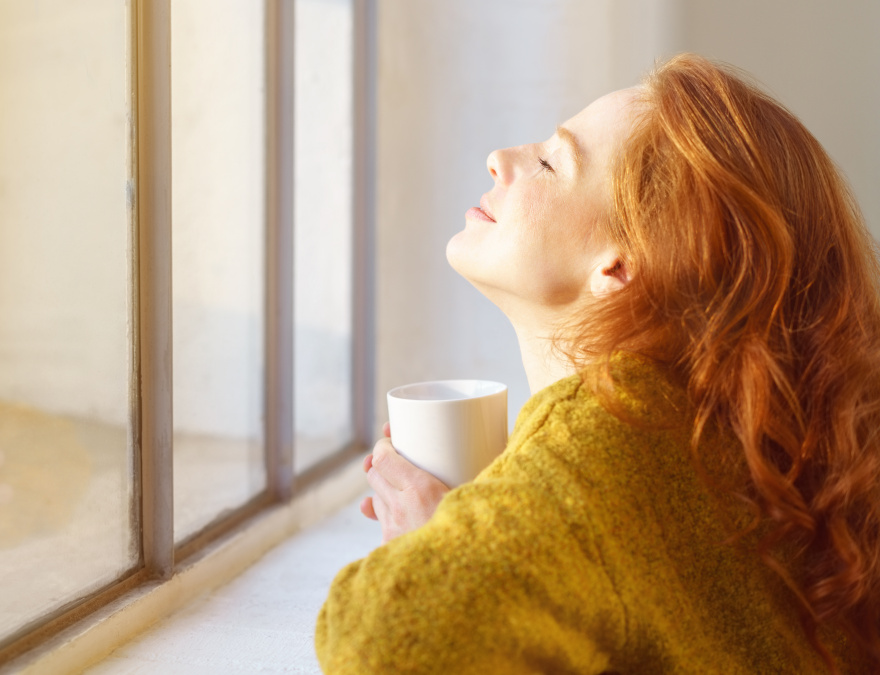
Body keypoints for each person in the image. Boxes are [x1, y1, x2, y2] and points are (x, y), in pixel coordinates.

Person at [316, 53, 880, 674]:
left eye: (550, 162)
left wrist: (428, 550)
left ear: (619, 265)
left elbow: (383, 643)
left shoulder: (610, 436)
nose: (501, 159)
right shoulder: (721, 431)